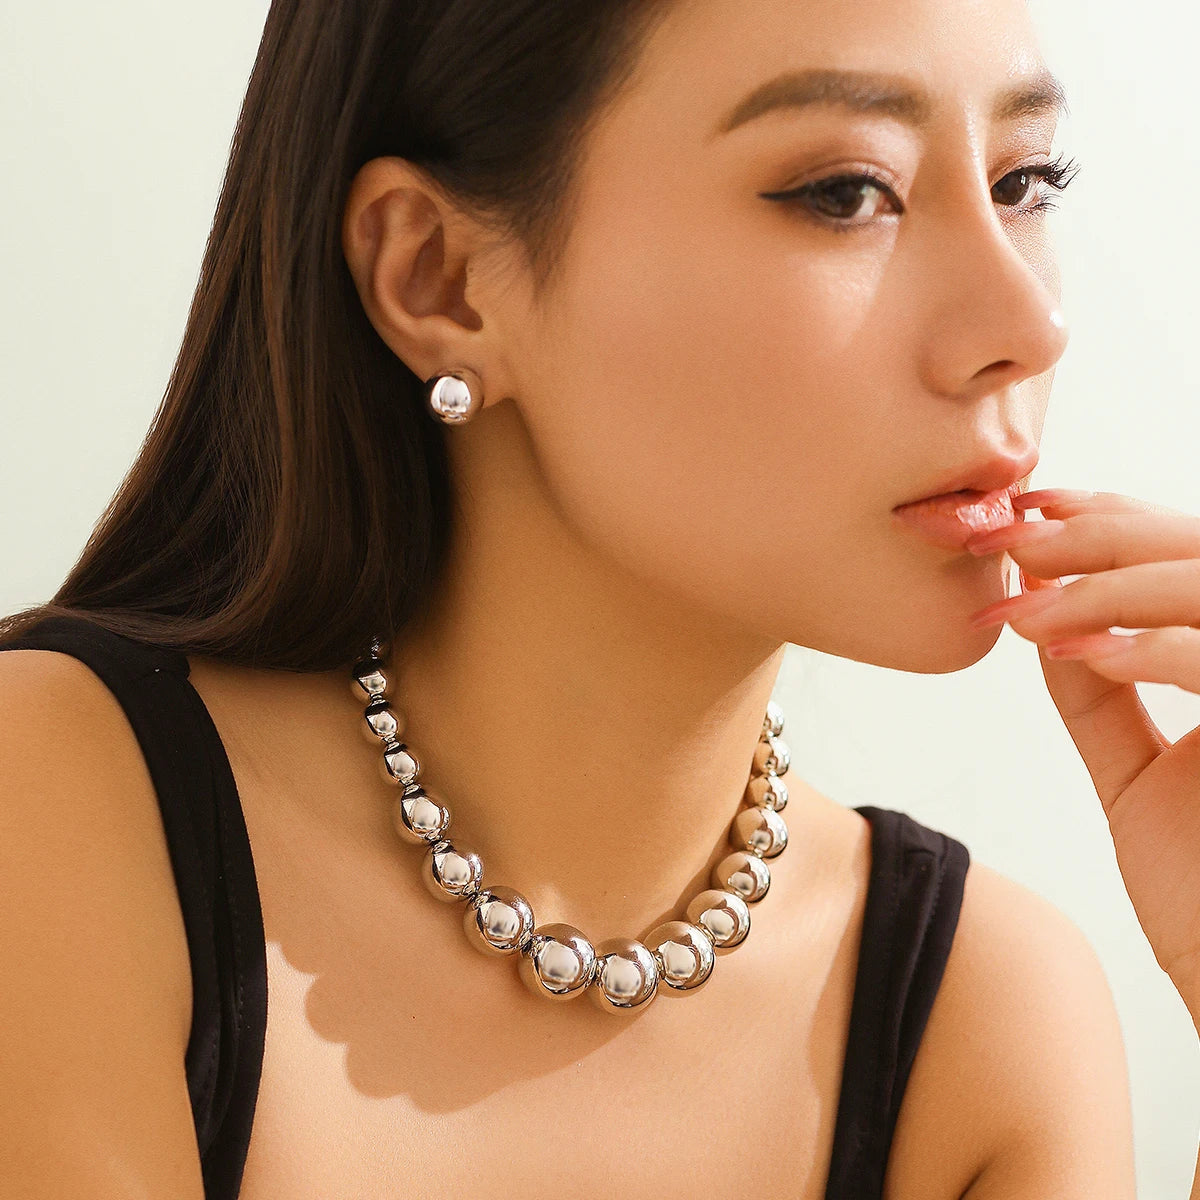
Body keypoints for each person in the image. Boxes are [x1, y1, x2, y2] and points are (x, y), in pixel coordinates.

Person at [4, 0, 1200, 1196]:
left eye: (1026, 180)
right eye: (846, 191)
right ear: (441, 278)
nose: (1028, 326)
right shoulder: (57, 807)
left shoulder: (982, 1023)